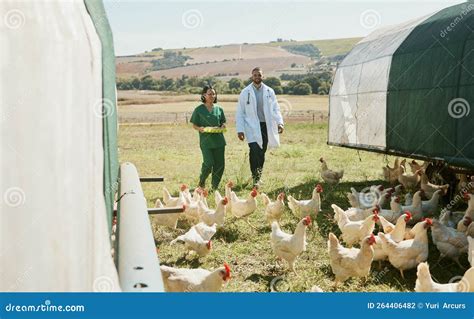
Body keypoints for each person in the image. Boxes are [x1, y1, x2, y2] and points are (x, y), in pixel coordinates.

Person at [235, 67, 284, 188]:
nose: (257, 77)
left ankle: (258, 177)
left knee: (262, 152)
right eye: (255, 75)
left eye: (259, 75)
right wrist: (240, 129)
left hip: (265, 125)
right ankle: (255, 177)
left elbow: (275, 108)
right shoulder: (245, 92)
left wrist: (280, 122)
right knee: (254, 151)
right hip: (251, 126)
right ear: (252, 77)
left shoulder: (269, 91)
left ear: (263, 76)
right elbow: (240, 112)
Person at [190, 85, 226, 190]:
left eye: (214, 94)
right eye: (209, 94)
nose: (212, 96)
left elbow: (222, 123)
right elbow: (194, 125)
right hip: (206, 142)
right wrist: (200, 128)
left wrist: (222, 127)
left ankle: (215, 187)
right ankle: (202, 181)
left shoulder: (219, 109)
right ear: (204, 95)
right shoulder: (199, 110)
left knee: (220, 165)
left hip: (219, 141)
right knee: (209, 163)